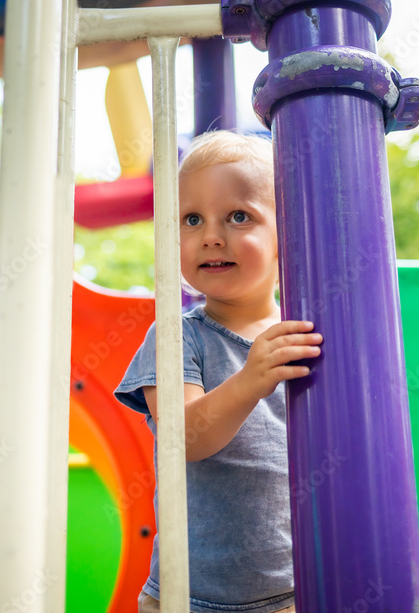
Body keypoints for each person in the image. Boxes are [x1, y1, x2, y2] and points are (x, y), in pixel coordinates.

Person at [114, 130, 323, 613]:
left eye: (238, 216)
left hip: (294, 592)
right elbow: (184, 439)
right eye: (192, 219)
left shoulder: (303, 331)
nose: (210, 235)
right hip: (191, 597)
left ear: (284, 234)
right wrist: (251, 380)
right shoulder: (176, 337)